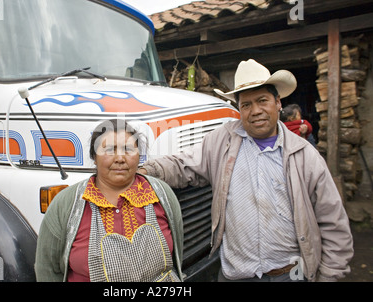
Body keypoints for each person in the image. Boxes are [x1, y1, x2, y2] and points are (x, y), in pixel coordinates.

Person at [139, 59, 353, 282]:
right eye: (246, 104)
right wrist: (144, 170)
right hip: (236, 274)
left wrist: (329, 276)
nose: (255, 111)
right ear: (239, 109)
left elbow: (333, 223)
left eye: (263, 101)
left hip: (289, 274)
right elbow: (182, 165)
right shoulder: (222, 141)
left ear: (278, 102)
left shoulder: (304, 155)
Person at [35, 119, 183, 282]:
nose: (120, 158)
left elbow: (177, 257)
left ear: (139, 155)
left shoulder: (162, 195)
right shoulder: (66, 205)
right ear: (94, 156)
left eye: (128, 149)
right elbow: (47, 269)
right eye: (109, 150)